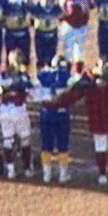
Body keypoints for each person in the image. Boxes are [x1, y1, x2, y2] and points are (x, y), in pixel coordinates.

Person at [0, 51, 36, 179]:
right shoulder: (23, 75)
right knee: (24, 139)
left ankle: (11, 170)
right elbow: (32, 90)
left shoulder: (3, 74)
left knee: (8, 140)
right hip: (18, 109)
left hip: (6, 110)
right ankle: (26, 168)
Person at [35, 53, 75, 183]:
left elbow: (33, 89)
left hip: (46, 113)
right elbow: (75, 84)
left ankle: (47, 174)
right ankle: (62, 174)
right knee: (62, 144)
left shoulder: (42, 76)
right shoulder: (67, 76)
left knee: (46, 144)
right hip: (61, 114)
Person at [59, 0, 94, 66]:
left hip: (82, 26)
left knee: (80, 52)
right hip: (69, 26)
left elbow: (91, 6)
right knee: (68, 52)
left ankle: (78, 74)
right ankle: (68, 74)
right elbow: (60, 11)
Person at [31, 0, 62, 69]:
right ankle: (40, 74)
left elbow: (62, 14)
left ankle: (50, 74)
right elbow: (30, 14)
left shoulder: (56, 8)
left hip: (52, 35)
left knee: (51, 58)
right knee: (40, 57)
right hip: (40, 35)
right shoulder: (37, 7)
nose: (47, 1)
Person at [3, 0, 34, 67]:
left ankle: (25, 74)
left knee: (25, 58)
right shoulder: (7, 7)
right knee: (10, 57)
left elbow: (33, 20)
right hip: (11, 35)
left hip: (23, 34)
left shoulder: (26, 7)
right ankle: (10, 73)